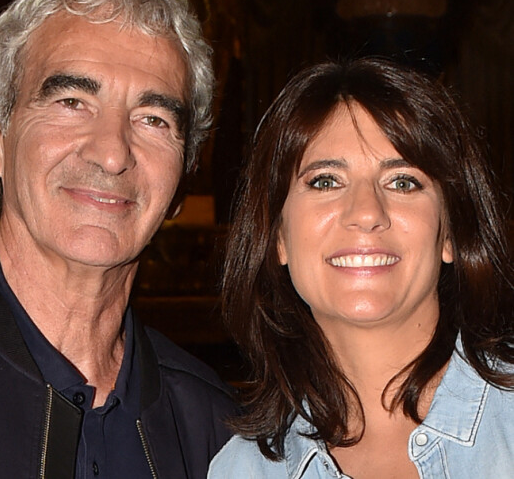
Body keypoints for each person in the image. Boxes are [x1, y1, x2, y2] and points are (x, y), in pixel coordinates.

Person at [0, 0, 237, 479]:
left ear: (185, 173)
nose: (112, 153)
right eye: (72, 101)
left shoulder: (217, 433)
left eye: (152, 119)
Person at [208, 58, 514, 478]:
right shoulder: (241, 471)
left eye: (403, 182)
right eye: (326, 181)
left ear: (450, 233)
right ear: (278, 236)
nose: (367, 213)